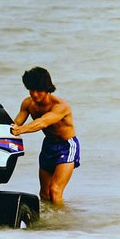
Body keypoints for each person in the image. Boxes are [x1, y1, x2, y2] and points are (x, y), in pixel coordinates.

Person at [10, 67, 79, 204]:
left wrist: (20, 130)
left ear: (47, 88)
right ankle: (47, 221)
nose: (35, 94)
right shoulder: (28, 103)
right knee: (44, 193)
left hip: (66, 145)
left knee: (55, 190)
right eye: (31, 90)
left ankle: (59, 221)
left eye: (39, 90)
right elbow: (16, 123)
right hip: (48, 145)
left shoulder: (60, 106)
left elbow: (42, 122)